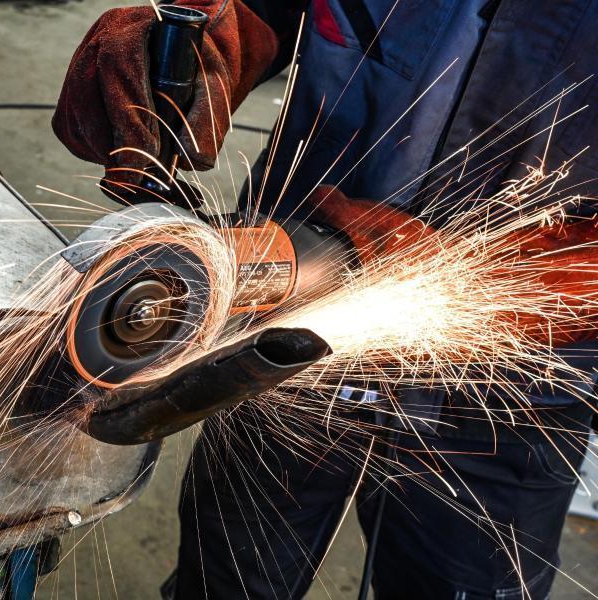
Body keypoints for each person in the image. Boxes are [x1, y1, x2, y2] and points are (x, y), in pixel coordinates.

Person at [53, 1, 598, 598]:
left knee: (462, 582)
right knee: (227, 578)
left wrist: (508, 277)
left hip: (514, 383)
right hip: (278, 326)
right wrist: (210, 39)